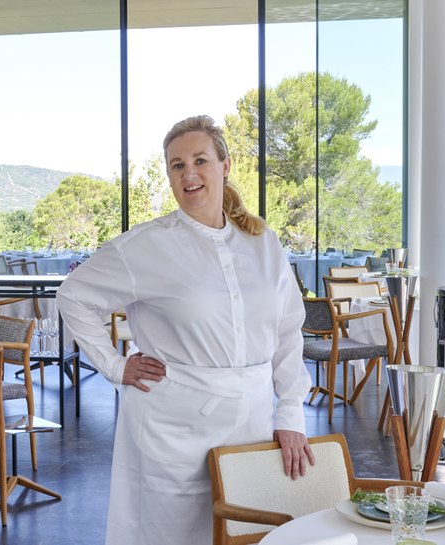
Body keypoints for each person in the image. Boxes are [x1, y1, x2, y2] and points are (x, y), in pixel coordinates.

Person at [57, 115, 314, 545]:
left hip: (252, 421)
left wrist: (291, 414)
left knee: (247, 530)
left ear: (225, 165)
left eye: (200, 160)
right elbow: (74, 295)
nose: (189, 174)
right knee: (168, 533)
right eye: (177, 165)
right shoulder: (145, 246)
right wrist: (115, 366)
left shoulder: (264, 243)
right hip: (170, 427)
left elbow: (288, 332)